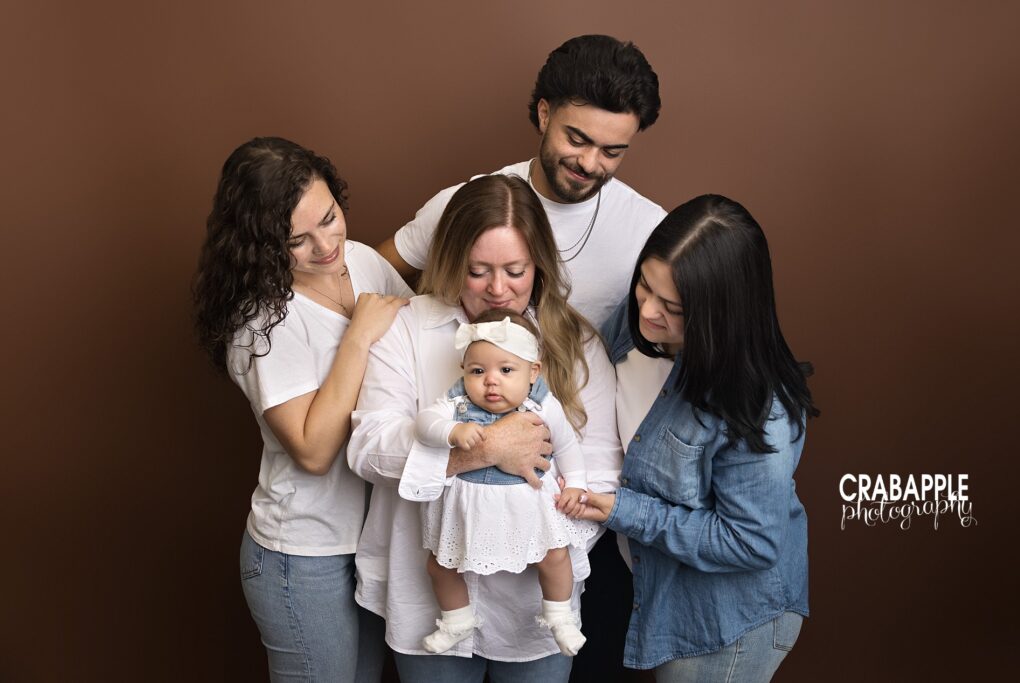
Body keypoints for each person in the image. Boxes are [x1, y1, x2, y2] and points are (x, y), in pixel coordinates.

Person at [348, 174, 622, 682]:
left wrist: (531, 541)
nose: (499, 290)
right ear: (452, 262)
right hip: (426, 601)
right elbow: (368, 448)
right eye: (478, 271)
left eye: (515, 271)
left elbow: (602, 472)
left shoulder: (576, 344)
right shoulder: (406, 328)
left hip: (536, 609)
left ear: (538, 265)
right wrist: (484, 450)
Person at [571, 195, 819, 682]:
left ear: (722, 312)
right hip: (644, 585)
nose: (647, 312)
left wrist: (622, 510)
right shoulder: (630, 323)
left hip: (725, 620)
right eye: (645, 285)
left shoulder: (758, 406)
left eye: (673, 308)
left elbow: (749, 542)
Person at [192, 137, 411, 682]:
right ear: (264, 246)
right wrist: (357, 338)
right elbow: (313, 451)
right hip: (301, 556)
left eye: (330, 217)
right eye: (298, 239)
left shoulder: (362, 261)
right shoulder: (262, 320)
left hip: (373, 542)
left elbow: (416, 354)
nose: (326, 245)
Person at [376, 33, 666, 329]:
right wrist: (408, 332)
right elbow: (367, 273)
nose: (589, 163)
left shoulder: (650, 229)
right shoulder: (465, 205)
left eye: (611, 151)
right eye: (577, 139)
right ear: (544, 115)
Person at [412, 309, 598, 656]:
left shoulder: (543, 404)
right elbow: (423, 423)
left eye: (506, 370)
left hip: (528, 501)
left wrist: (575, 483)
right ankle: (456, 619)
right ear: (464, 372)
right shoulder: (457, 403)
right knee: (439, 565)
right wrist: (451, 430)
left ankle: (559, 615)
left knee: (555, 557)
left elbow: (568, 445)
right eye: (477, 371)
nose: (491, 381)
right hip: (471, 505)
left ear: (533, 372)